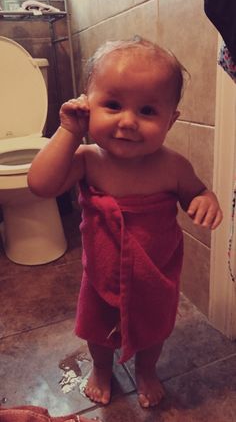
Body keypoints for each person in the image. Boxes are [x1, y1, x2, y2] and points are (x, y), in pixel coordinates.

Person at [28, 38, 223, 409]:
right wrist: (69, 131)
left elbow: (196, 191)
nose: (128, 121)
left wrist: (205, 200)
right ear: (88, 105)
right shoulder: (88, 159)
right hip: (102, 275)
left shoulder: (173, 166)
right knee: (99, 332)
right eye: (113, 105)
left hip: (156, 275)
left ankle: (147, 370)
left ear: (171, 119)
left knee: (154, 331)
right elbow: (41, 185)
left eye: (148, 110)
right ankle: (102, 369)